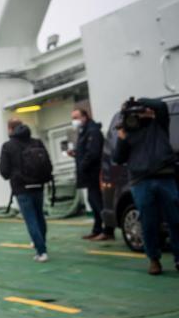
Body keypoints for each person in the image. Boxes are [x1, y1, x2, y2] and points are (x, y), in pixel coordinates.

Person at [113, 97, 179, 275]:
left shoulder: (158, 123)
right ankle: (154, 260)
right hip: (140, 181)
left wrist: (140, 103)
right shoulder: (127, 131)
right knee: (148, 223)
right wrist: (121, 138)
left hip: (165, 176)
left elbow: (161, 106)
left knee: (176, 220)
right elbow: (118, 158)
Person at [0, 118, 53, 262]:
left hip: (22, 188)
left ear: (10, 129)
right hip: (39, 185)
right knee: (39, 216)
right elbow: (48, 163)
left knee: (31, 219)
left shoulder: (8, 146)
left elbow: (4, 171)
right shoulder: (37, 142)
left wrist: (13, 174)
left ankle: (41, 251)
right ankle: (41, 243)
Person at [69, 108, 110, 240]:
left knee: (97, 201)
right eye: (73, 118)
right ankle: (97, 229)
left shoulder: (92, 131)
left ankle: (107, 230)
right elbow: (86, 151)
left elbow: (93, 153)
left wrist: (82, 165)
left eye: (76, 117)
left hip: (94, 172)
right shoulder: (84, 131)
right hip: (89, 173)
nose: (74, 121)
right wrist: (76, 154)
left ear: (84, 117)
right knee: (92, 200)